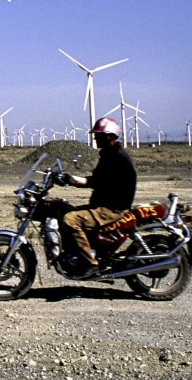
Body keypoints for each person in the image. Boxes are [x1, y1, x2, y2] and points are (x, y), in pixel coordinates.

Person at [56, 117, 137, 279]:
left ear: (109, 136)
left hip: (112, 209)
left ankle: (90, 263)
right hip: (104, 205)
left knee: (71, 220)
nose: (95, 138)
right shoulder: (110, 154)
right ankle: (79, 252)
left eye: (98, 135)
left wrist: (74, 180)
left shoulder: (117, 157)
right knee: (62, 210)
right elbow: (99, 179)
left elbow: (97, 181)